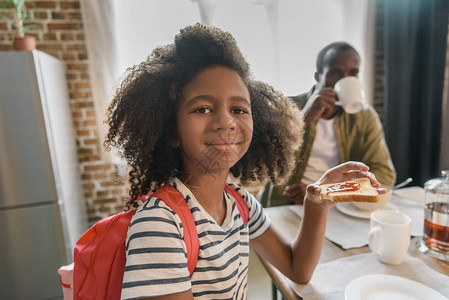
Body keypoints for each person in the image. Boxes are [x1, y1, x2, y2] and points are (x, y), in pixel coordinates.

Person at [104, 25, 385, 299]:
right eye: (203, 108)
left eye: (238, 109)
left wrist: (317, 201)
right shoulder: (160, 223)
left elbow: (298, 269)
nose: (226, 121)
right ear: (171, 131)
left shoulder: (240, 203)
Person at [260, 42, 396, 207]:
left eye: (353, 74)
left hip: (337, 205)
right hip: (286, 204)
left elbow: (385, 174)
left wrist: (325, 192)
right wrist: (305, 117)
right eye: (335, 73)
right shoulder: (287, 107)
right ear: (318, 77)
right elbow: (265, 161)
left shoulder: (365, 117)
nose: (345, 80)